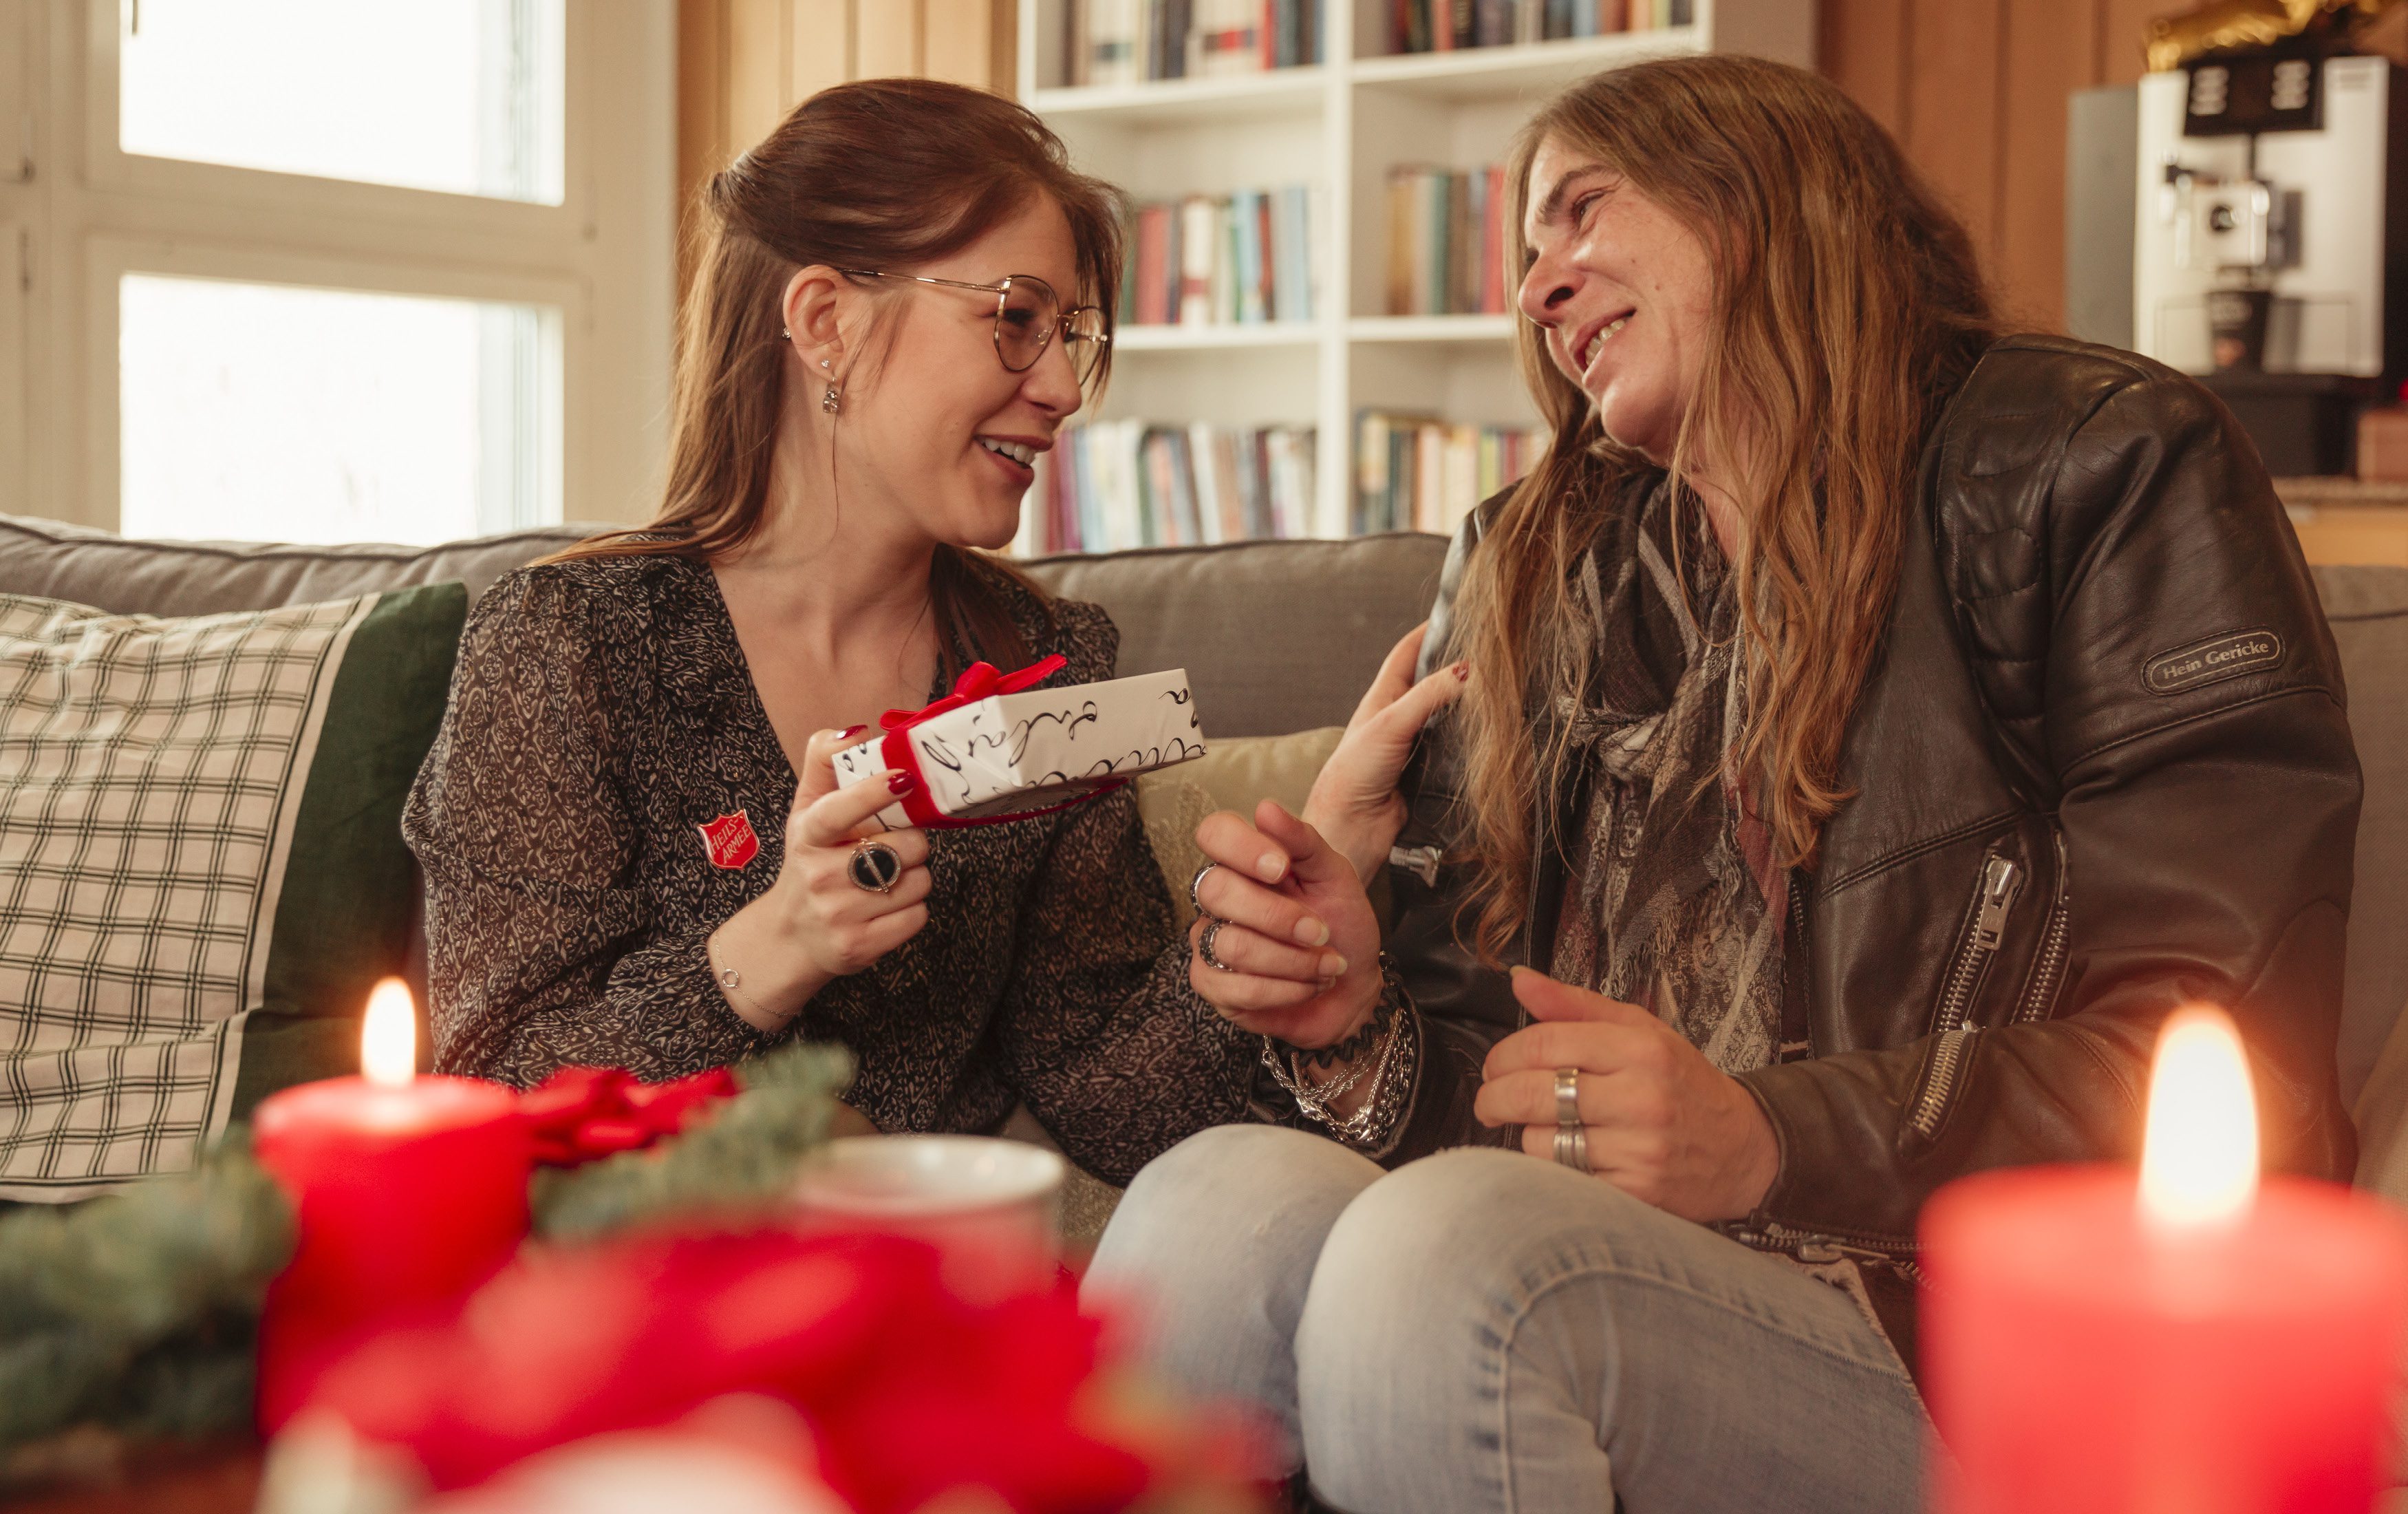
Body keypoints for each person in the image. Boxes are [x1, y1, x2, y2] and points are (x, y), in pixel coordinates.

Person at [1087, 54, 2361, 1513]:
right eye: (1524, 257)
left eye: (1582, 216)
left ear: (1758, 197)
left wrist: (1768, 1136)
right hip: (1615, 1277)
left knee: (1449, 1252)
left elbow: (2220, 1055)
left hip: (1958, 1332)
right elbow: (1497, 1111)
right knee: (1216, 1199)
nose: (1536, 290)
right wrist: (1354, 1018)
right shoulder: (1537, 567)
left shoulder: (2093, 462)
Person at [401, 80, 1309, 1182]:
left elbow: (1108, 1102)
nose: (1066, 388)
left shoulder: (1045, 666)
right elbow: (488, 1093)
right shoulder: (570, 645)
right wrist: (775, 946)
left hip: (924, 1286)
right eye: (1018, 318)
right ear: (827, 322)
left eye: (1068, 333)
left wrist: (1245, 950)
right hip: (640, 1300)